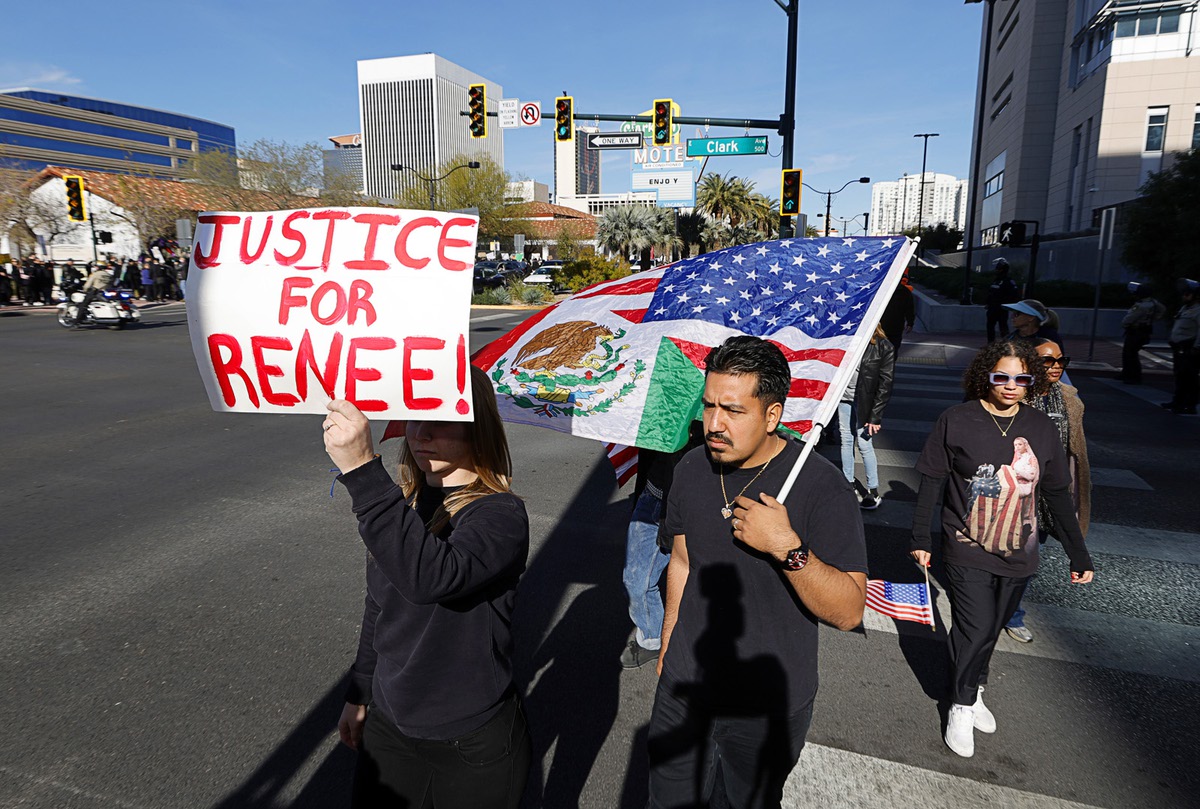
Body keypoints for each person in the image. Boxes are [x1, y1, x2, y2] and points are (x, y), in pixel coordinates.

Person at [648, 335, 868, 808]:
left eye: (733, 410)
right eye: (709, 406)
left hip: (767, 707)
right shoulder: (690, 468)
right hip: (685, 688)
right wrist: (668, 645)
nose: (714, 424)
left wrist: (786, 547)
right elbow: (682, 561)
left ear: (772, 415)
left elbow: (850, 611)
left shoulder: (823, 487)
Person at [322, 365, 532, 808]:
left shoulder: (500, 515)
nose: (421, 432)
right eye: (415, 416)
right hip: (390, 724)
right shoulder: (406, 505)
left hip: (471, 740)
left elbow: (431, 577)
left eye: (441, 419)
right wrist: (359, 694)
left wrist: (362, 472)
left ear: (477, 425)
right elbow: (379, 607)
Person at [911, 340, 1095, 759]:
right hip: (965, 543)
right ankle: (960, 704)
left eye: (1021, 378)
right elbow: (932, 482)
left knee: (991, 628)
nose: (1011, 386)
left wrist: (1078, 552)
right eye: (1001, 377)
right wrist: (920, 538)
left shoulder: (1041, 427)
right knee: (975, 626)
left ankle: (974, 686)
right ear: (985, 376)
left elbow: (1057, 493)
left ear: (1031, 381)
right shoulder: (956, 419)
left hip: (1019, 550)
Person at [1003, 339, 1091, 643]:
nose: (1056, 366)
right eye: (1047, 360)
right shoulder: (1013, 394)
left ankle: (1011, 614)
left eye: (1061, 360)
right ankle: (998, 608)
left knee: (1028, 558)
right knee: (1007, 554)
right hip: (1015, 492)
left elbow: (1072, 451)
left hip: (1049, 494)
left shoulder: (1069, 399)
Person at [620, 427, 703, 669]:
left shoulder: (712, 416)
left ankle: (667, 641)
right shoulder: (661, 410)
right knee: (635, 580)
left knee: (691, 579)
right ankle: (652, 638)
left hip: (686, 505)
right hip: (652, 494)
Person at [838, 323, 895, 510]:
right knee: (846, 440)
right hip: (843, 398)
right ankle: (848, 484)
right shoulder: (846, 339)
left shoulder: (883, 346)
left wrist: (875, 416)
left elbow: (885, 384)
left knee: (864, 444)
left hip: (865, 402)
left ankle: (873, 490)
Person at [1161, 280, 1199, 415]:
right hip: (1179, 347)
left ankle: (1189, 405)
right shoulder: (1185, 308)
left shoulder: (1198, 310)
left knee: (1189, 377)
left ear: (1195, 296)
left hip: (1190, 348)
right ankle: (1177, 401)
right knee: (1179, 375)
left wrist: (1197, 347)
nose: (1184, 296)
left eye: (1187, 294)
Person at [1120, 283, 1167, 384]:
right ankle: (1126, 374)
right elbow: (1162, 309)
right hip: (1144, 330)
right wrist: (1153, 319)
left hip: (1135, 331)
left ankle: (1134, 377)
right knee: (1129, 353)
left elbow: (1129, 319)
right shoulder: (1153, 302)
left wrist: (1124, 324)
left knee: (1130, 354)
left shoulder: (1141, 306)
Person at [985, 259, 1020, 342]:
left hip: (1001, 308)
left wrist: (1006, 304)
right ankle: (990, 343)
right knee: (990, 326)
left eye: (998, 269)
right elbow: (991, 293)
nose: (996, 270)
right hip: (992, 307)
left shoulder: (1008, 281)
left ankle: (1006, 344)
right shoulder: (996, 280)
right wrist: (988, 303)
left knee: (1003, 326)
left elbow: (1013, 294)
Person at [880, 273, 915, 355]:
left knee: (891, 350)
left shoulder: (905, 292)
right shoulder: (882, 290)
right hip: (883, 327)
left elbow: (909, 309)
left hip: (894, 327)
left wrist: (910, 323)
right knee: (882, 351)